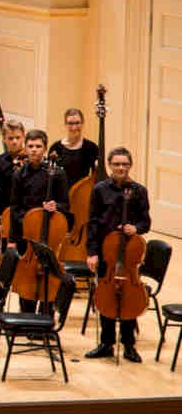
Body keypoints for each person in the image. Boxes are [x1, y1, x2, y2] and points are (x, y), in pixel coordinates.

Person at [84, 147, 152, 363]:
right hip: (107, 252)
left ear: (130, 165)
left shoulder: (139, 191)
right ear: (109, 165)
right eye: (117, 164)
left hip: (129, 252)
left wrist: (135, 228)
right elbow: (92, 223)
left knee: (129, 296)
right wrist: (92, 253)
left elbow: (145, 222)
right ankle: (106, 343)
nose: (121, 168)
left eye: (125, 164)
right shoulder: (100, 190)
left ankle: (129, 345)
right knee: (106, 296)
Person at [6, 129, 71, 315]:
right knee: (26, 284)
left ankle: (47, 317)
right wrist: (25, 227)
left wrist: (55, 206)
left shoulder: (58, 174)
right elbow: (15, 208)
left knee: (49, 285)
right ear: (25, 148)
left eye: (38, 146)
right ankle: (26, 317)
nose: (34, 150)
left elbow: (65, 204)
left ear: (45, 148)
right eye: (31, 146)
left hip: (50, 235)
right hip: (27, 235)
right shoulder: (19, 175)